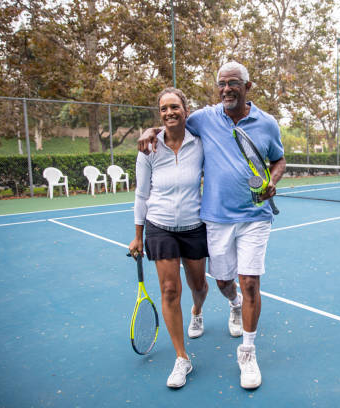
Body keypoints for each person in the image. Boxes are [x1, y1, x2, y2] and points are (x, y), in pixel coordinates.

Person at [138, 61, 286, 389]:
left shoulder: (267, 123)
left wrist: (273, 180)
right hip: (216, 219)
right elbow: (171, 121)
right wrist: (150, 131)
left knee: (249, 282)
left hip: (255, 216)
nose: (226, 89)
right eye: (221, 83)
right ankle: (233, 304)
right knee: (222, 282)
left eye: (233, 83)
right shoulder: (205, 118)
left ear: (248, 86)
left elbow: (279, 159)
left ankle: (247, 352)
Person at [128, 87, 209, 389]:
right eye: (163, 109)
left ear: (186, 111)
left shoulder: (200, 143)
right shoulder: (148, 148)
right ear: (158, 114)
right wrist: (138, 236)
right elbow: (141, 194)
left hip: (193, 225)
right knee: (169, 290)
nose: (169, 113)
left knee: (198, 285)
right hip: (159, 225)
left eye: (174, 107)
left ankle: (197, 311)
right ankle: (181, 358)